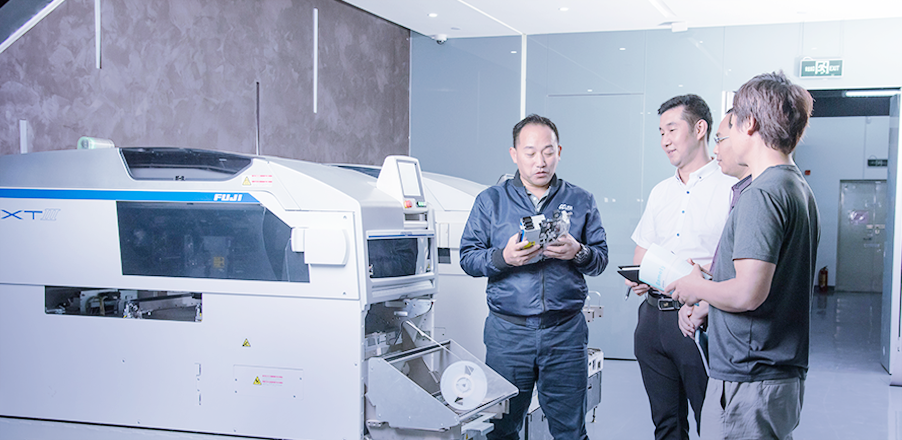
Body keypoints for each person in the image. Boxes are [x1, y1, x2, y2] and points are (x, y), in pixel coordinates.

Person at [667, 71, 819, 440]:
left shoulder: (762, 194)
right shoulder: (794, 186)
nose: (726, 139)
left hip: (751, 377)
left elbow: (748, 293)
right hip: (774, 373)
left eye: (731, 126)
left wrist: (696, 287)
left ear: (749, 123)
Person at [460, 114, 609, 440]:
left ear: (559, 152)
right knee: (501, 430)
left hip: (565, 334)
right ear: (514, 154)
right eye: (530, 153)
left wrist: (578, 251)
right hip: (508, 335)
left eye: (548, 151)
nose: (540, 161)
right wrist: (503, 258)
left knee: (571, 432)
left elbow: (600, 260)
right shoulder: (491, 201)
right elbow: (468, 258)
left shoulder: (581, 200)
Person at [626, 94, 736, 440]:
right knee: (666, 423)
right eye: (661, 133)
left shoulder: (731, 188)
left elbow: (739, 264)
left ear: (700, 129)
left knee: (713, 422)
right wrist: (639, 276)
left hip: (698, 319)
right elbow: (642, 251)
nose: (665, 141)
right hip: (652, 319)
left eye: (672, 130)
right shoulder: (661, 192)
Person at [677, 109, 752, 339]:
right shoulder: (744, 191)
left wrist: (698, 292)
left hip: (744, 342)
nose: (716, 150)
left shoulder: (757, 196)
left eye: (720, 140)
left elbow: (746, 291)